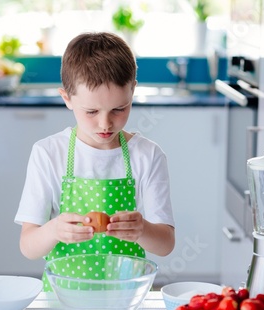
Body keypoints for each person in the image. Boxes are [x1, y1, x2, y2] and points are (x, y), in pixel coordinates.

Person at [14, 32, 175, 291]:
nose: (105, 123)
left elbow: (166, 244)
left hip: (125, 299)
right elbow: (28, 246)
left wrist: (141, 229)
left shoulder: (148, 156)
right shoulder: (48, 153)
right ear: (66, 98)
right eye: (91, 112)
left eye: (119, 109)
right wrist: (54, 230)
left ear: (132, 91)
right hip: (62, 300)